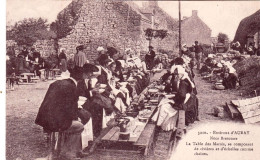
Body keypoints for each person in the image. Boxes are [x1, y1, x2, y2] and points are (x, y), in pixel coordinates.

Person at [35, 63, 98, 159]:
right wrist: (76, 117)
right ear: (81, 77)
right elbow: (70, 110)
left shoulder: (59, 82)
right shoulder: (72, 87)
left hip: (44, 118)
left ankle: (71, 150)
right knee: (79, 126)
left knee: (74, 121)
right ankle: (68, 153)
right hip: (54, 122)